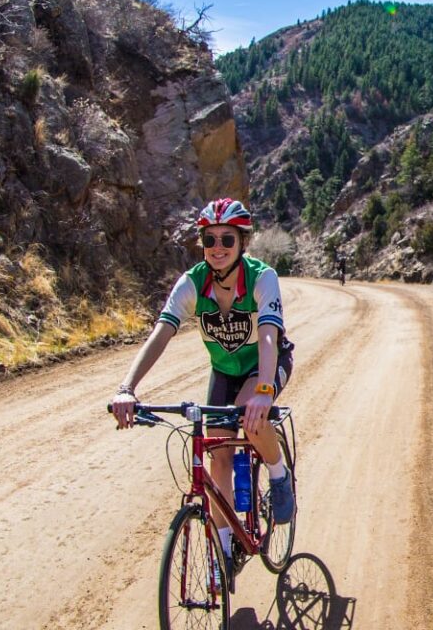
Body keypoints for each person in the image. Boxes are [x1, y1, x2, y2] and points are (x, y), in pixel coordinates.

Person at [111, 198, 296, 562]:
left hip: (265, 365)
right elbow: (160, 334)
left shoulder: (262, 278)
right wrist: (126, 388)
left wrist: (264, 391)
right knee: (219, 456)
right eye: (210, 240)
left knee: (251, 414)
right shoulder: (193, 283)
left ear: (242, 242)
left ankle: (278, 473)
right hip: (225, 372)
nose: (217, 248)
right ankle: (224, 552)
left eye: (227, 239)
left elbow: (269, 338)